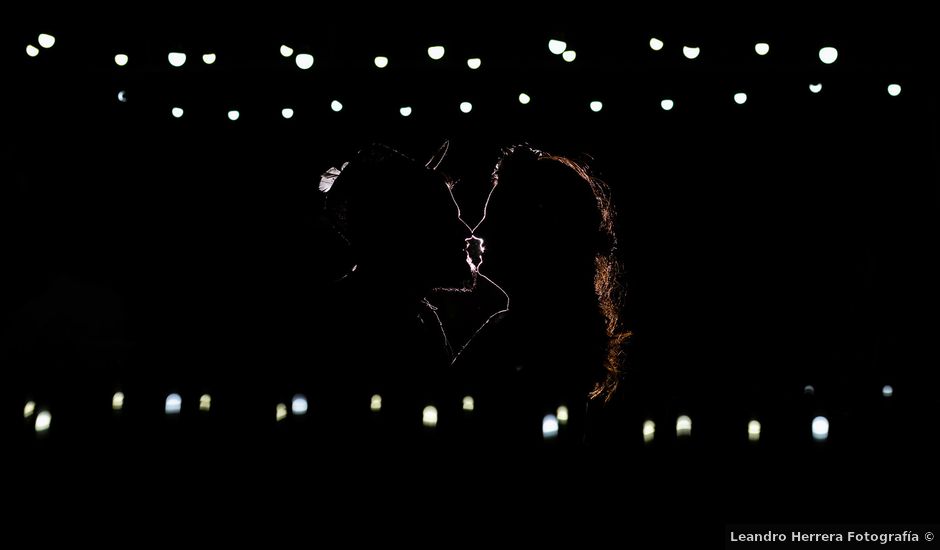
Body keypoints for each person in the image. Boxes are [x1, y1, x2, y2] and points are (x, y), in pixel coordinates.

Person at [450, 144, 630, 446]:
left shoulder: (527, 337)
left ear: (537, 231)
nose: (478, 230)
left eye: (497, 217)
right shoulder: (561, 332)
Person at [314, 143, 472, 445]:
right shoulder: (355, 322)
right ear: (406, 231)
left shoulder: (412, 312)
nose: (465, 232)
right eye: (445, 220)